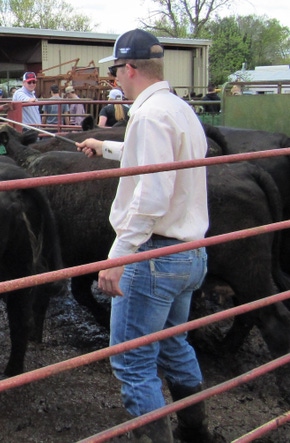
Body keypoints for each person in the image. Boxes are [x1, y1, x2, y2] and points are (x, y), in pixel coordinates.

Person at [76, 29, 220, 443]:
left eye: (116, 69)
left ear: (131, 67)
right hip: (189, 252)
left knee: (133, 362)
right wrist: (105, 148)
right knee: (174, 345)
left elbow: (152, 192)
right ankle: (196, 433)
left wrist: (119, 254)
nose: (114, 78)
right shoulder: (177, 109)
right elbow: (162, 159)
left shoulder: (149, 115)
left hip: (153, 257)